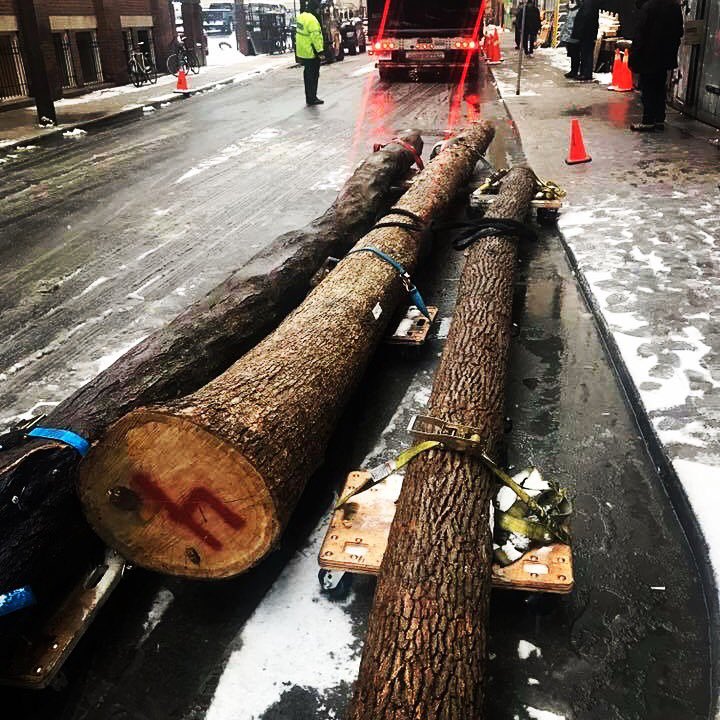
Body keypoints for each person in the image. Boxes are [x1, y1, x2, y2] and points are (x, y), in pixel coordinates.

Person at [629, 0, 684, 131]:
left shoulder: (649, 7)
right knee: (660, 87)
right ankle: (659, 119)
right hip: (665, 56)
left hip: (648, 55)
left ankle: (648, 121)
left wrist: (634, 55)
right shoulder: (675, 7)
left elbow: (640, 34)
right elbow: (679, 32)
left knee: (648, 88)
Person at [295, 0, 325, 106]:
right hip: (312, 52)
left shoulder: (301, 17)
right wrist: (320, 51)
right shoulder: (312, 20)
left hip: (303, 51)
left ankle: (309, 97)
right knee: (314, 75)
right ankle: (313, 98)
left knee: (307, 76)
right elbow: (315, 37)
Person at [570, 0, 599, 81]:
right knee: (585, 53)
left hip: (587, 33)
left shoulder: (588, 3)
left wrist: (578, 32)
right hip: (587, 32)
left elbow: (585, 18)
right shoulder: (587, 3)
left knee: (586, 53)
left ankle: (586, 74)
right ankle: (584, 73)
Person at [559, 0, 581, 78]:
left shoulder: (579, 10)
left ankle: (575, 71)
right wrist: (562, 34)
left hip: (575, 34)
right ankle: (573, 70)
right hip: (568, 35)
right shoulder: (570, 10)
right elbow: (566, 23)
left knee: (575, 54)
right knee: (572, 53)